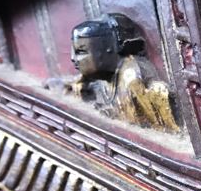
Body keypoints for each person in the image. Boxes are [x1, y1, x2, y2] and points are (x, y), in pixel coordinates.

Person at [47, 13, 180, 133]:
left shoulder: (131, 80)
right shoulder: (100, 75)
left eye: (81, 51)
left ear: (109, 50)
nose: (72, 58)